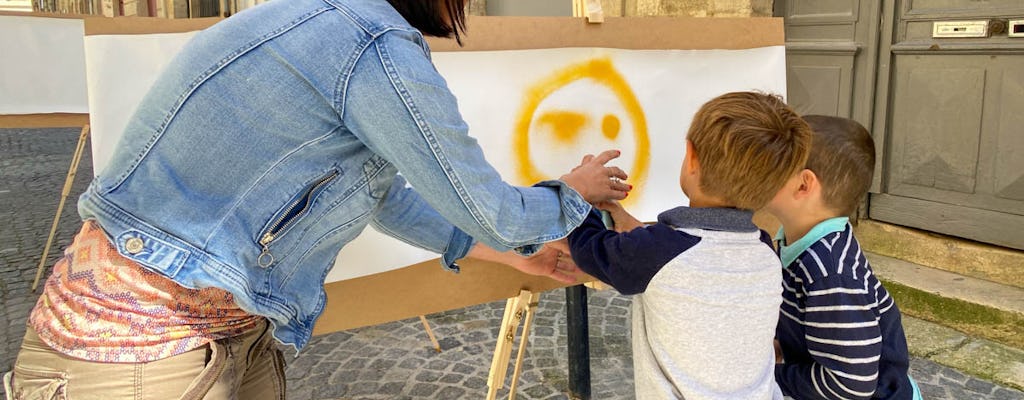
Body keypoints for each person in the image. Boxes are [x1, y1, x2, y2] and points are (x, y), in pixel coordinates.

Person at [3, 0, 631, 398]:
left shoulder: (307, 20)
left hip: (224, 338)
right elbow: (492, 210)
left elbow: (379, 197)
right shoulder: (369, 41)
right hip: (135, 350)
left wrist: (509, 258)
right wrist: (572, 193)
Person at [566, 91, 812, 400]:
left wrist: (578, 195)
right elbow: (695, 253)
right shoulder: (764, 249)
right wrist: (638, 232)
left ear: (690, 156)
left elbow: (590, 249)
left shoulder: (657, 253)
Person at [765, 115, 921, 400]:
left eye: (771, 164)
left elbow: (850, 384)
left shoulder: (830, 275)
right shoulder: (796, 236)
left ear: (803, 185)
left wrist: (766, 377)